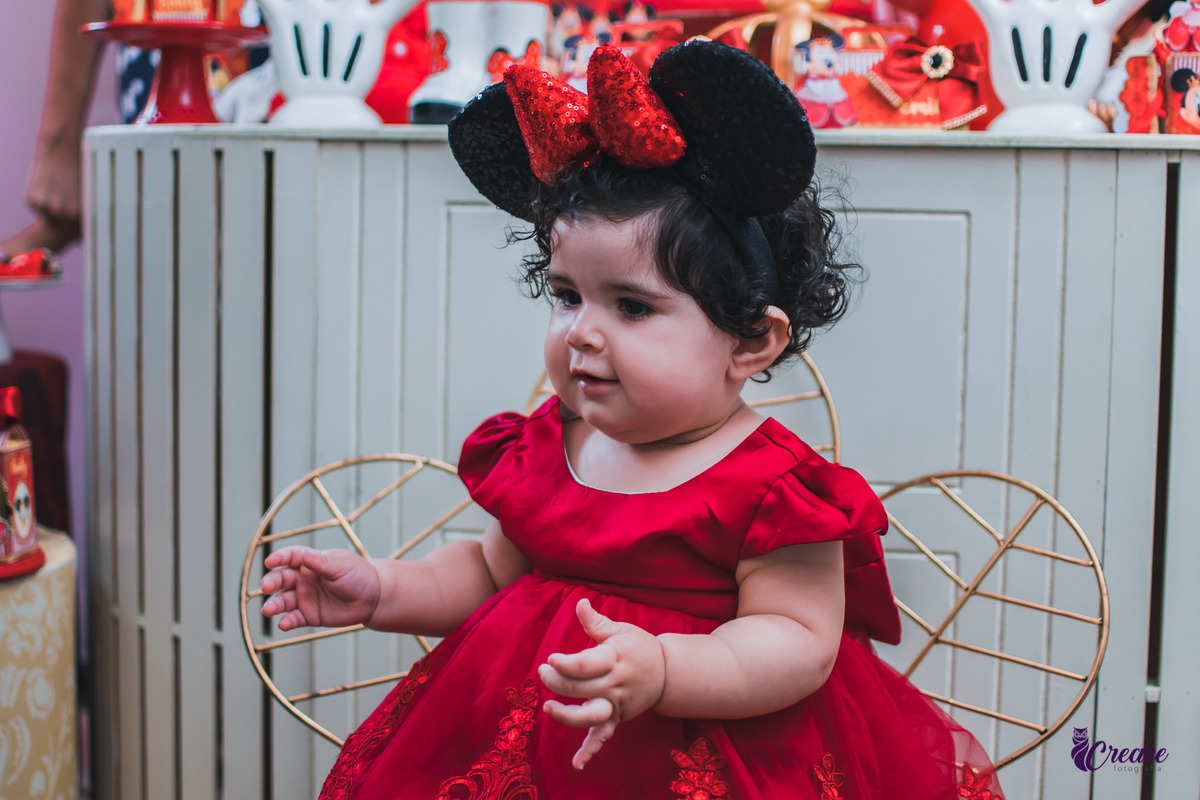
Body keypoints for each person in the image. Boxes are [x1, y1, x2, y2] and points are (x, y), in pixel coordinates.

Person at [258, 41, 1005, 799]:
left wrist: (665, 668)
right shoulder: (552, 443)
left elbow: (798, 644)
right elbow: (489, 574)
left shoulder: (778, 491)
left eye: (633, 306)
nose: (582, 331)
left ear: (750, 341)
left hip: (708, 762)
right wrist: (383, 591)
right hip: (528, 751)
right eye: (567, 296)